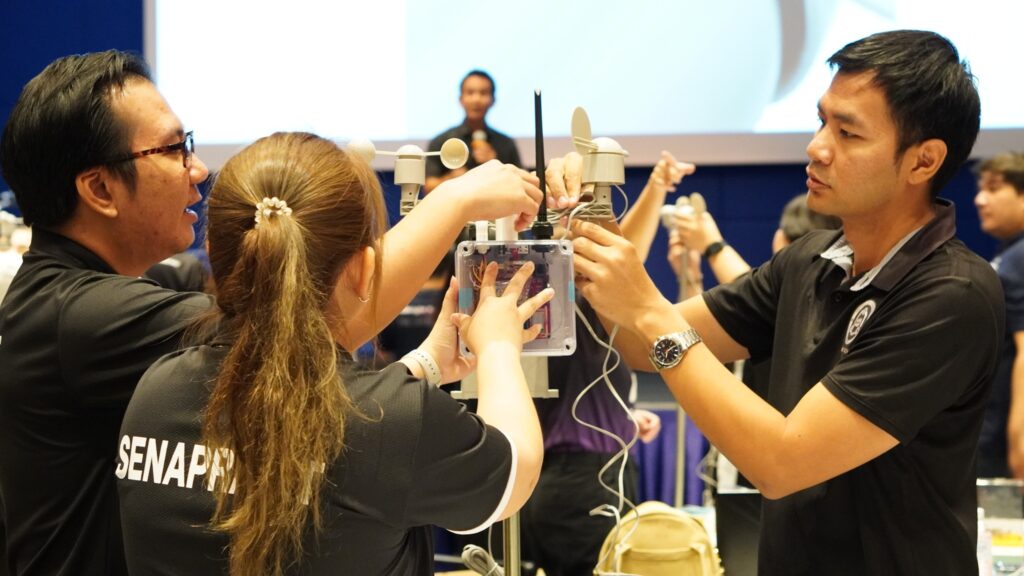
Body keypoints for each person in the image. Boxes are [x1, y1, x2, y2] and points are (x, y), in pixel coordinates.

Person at [0, 50, 541, 576]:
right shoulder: (84, 319)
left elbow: (317, 411)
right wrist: (458, 210)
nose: (197, 167)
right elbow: (295, 326)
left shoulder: (152, 382)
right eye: (172, 149)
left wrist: (421, 366)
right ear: (99, 188)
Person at [554, 30, 1003, 574]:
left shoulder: (951, 292)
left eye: (848, 133)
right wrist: (590, 210)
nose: (817, 147)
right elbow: (633, 343)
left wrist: (649, 308)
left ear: (923, 161)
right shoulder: (810, 260)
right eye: (821, 121)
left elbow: (782, 462)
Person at [116, 132, 548, 575]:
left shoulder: (156, 390)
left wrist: (424, 365)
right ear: (364, 270)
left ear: (214, 253)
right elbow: (517, 471)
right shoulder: (396, 421)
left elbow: (327, 428)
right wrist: (498, 346)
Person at [519, 153, 689, 575]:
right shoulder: (565, 295)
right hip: (581, 484)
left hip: (576, 478)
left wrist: (625, 418)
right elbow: (627, 257)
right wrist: (657, 187)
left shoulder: (557, 302)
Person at [973, 152, 1024, 479]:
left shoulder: (1020, 258)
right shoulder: (1011, 254)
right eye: (980, 189)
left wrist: (1019, 441)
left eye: (993, 188)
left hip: (1005, 446)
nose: (979, 200)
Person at [424, 70, 522, 194]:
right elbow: (428, 186)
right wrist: (452, 178)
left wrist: (496, 164)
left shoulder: (506, 143)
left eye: (483, 93)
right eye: (470, 92)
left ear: (493, 100)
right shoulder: (442, 141)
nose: (476, 99)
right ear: (461, 99)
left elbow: (521, 185)